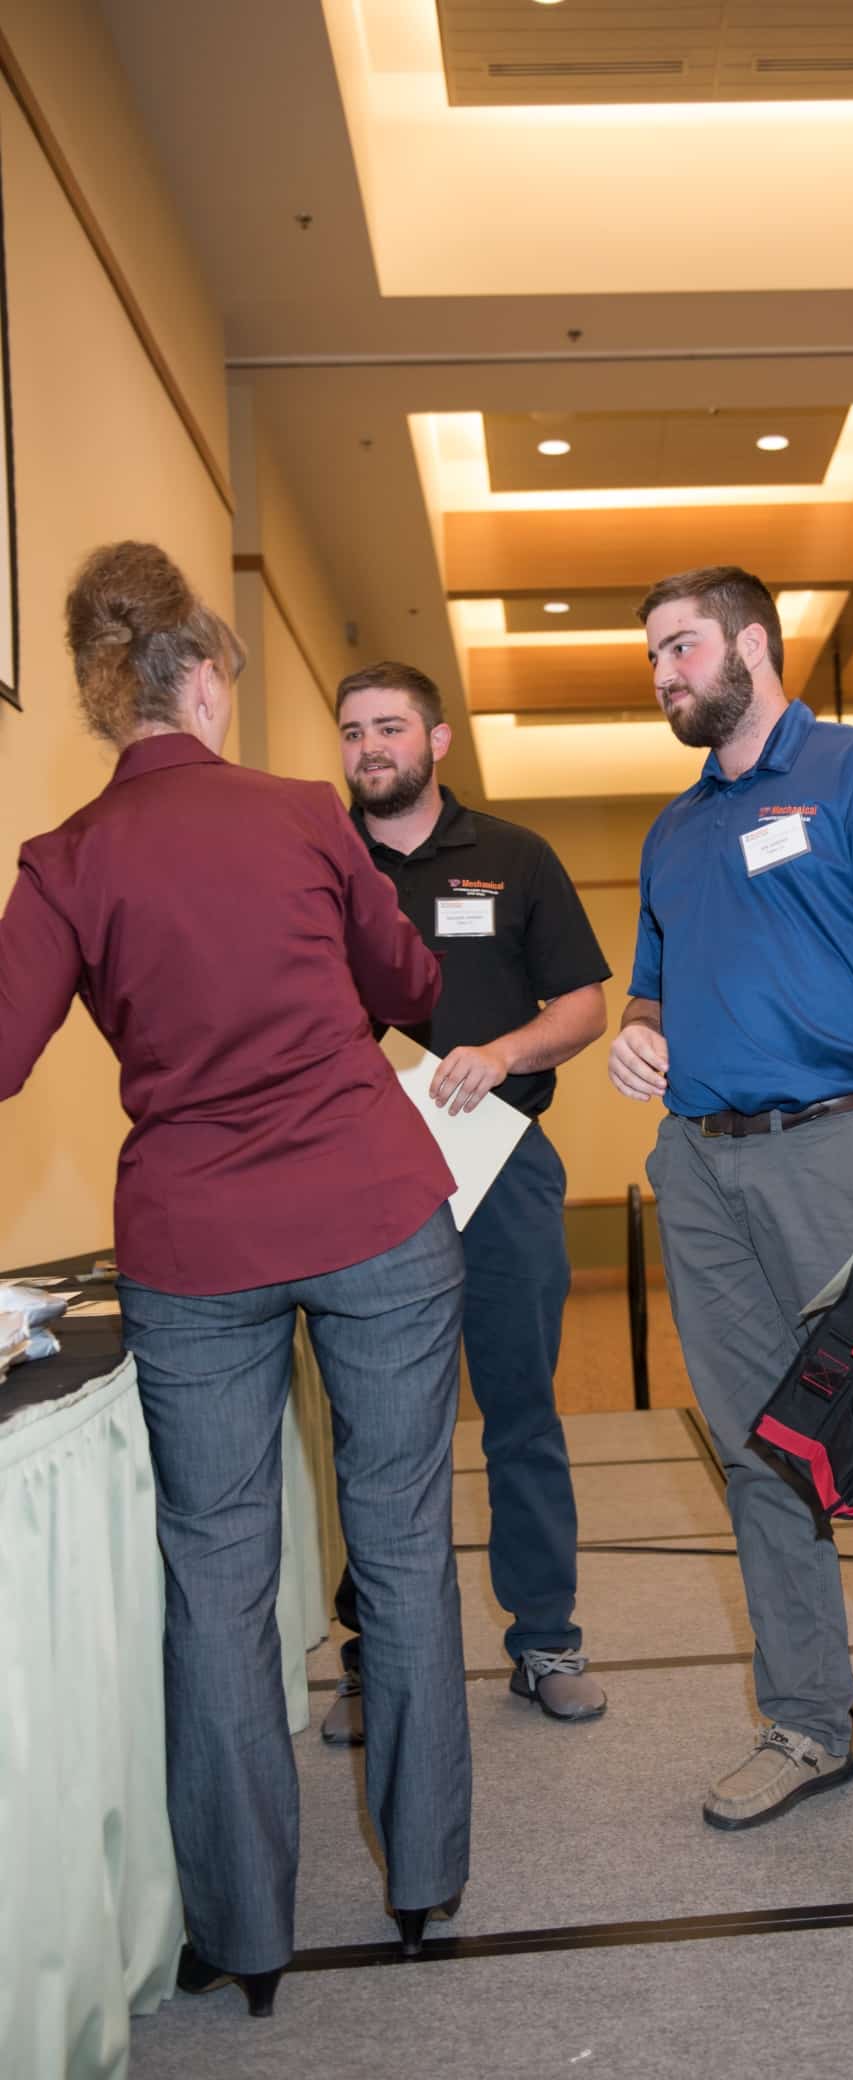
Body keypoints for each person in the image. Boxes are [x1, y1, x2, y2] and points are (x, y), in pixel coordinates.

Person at [0, 544, 472, 2014]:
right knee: (399, 1539)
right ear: (202, 678)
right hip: (372, 1206)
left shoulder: (66, 859)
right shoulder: (303, 813)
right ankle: (423, 1885)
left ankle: (246, 1936)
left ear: (105, 694)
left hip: (195, 1243)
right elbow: (412, 986)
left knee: (214, 1574)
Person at [609, 565, 853, 1829]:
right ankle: (807, 1719)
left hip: (841, 1145)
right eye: (651, 656)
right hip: (699, 1166)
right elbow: (651, 986)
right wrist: (638, 1032)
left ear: (752, 646)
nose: (662, 675)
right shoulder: (672, 832)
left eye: (680, 647)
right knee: (756, 1446)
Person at [328, 661, 610, 1737]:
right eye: (353, 730)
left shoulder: (514, 855)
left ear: (436, 740)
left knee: (520, 1410)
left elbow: (582, 1006)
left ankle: (545, 1638)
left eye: (390, 727)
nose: (370, 747)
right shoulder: (316, 858)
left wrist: (501, 1053)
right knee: (378, 1428)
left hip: (501, 1165)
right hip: (359, 1177)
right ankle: (377, 1653)